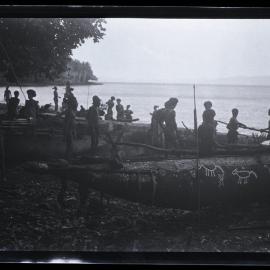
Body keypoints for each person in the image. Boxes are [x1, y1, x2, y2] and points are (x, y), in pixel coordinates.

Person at [61, 84, 78, 160]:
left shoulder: (70, 111)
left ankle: (68, 157)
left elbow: (68, 123)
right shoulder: (71, 111)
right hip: (69, 129)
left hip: (69, 129)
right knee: (69, 144)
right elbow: (69, 123)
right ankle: (68, 157)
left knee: (69, 144)